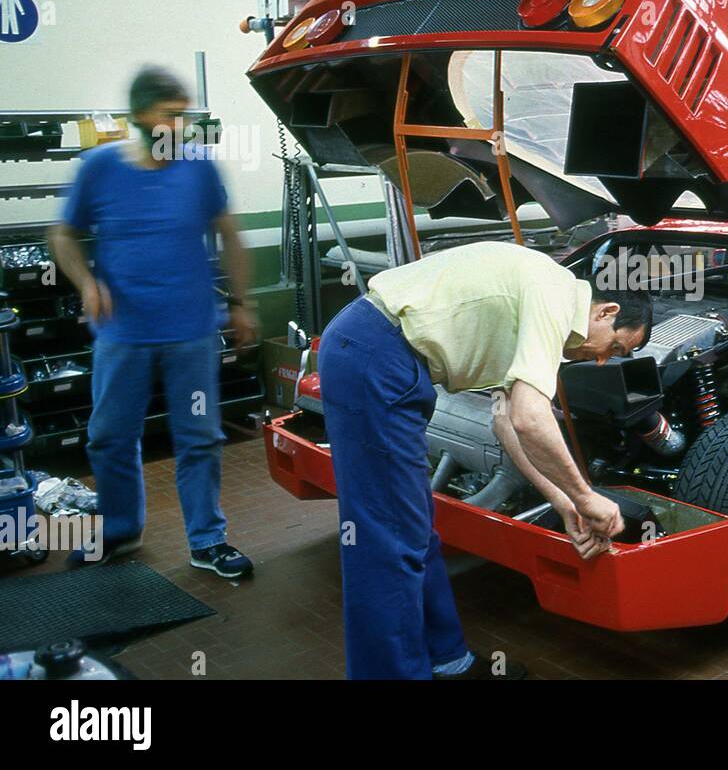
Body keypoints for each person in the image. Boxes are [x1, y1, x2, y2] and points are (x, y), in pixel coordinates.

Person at [317, 241, 652, 680]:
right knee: (385, 543)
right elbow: (531, 419)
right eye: (617, 347)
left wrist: (563, 501)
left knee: (412, 526)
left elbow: (508, 423)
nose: (606, 359)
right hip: (376, 356)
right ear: (605, 312)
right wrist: (587, 497)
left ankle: (448, 660)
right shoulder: (553, 293)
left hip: (381, 357)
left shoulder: (546, 299)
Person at [48, 66, 259, 576]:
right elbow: (61, 236)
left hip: (191, 333)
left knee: (200, 436)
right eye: (171, 115)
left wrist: (241, 301)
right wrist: (87, 283)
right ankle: (121, 529)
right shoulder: (99, 167)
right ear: (142, 116)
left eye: (184, 116)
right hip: (123, 335)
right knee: (109, 437)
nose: (180, 127)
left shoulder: (199, 168)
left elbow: (229, 235)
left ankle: (208, 541)